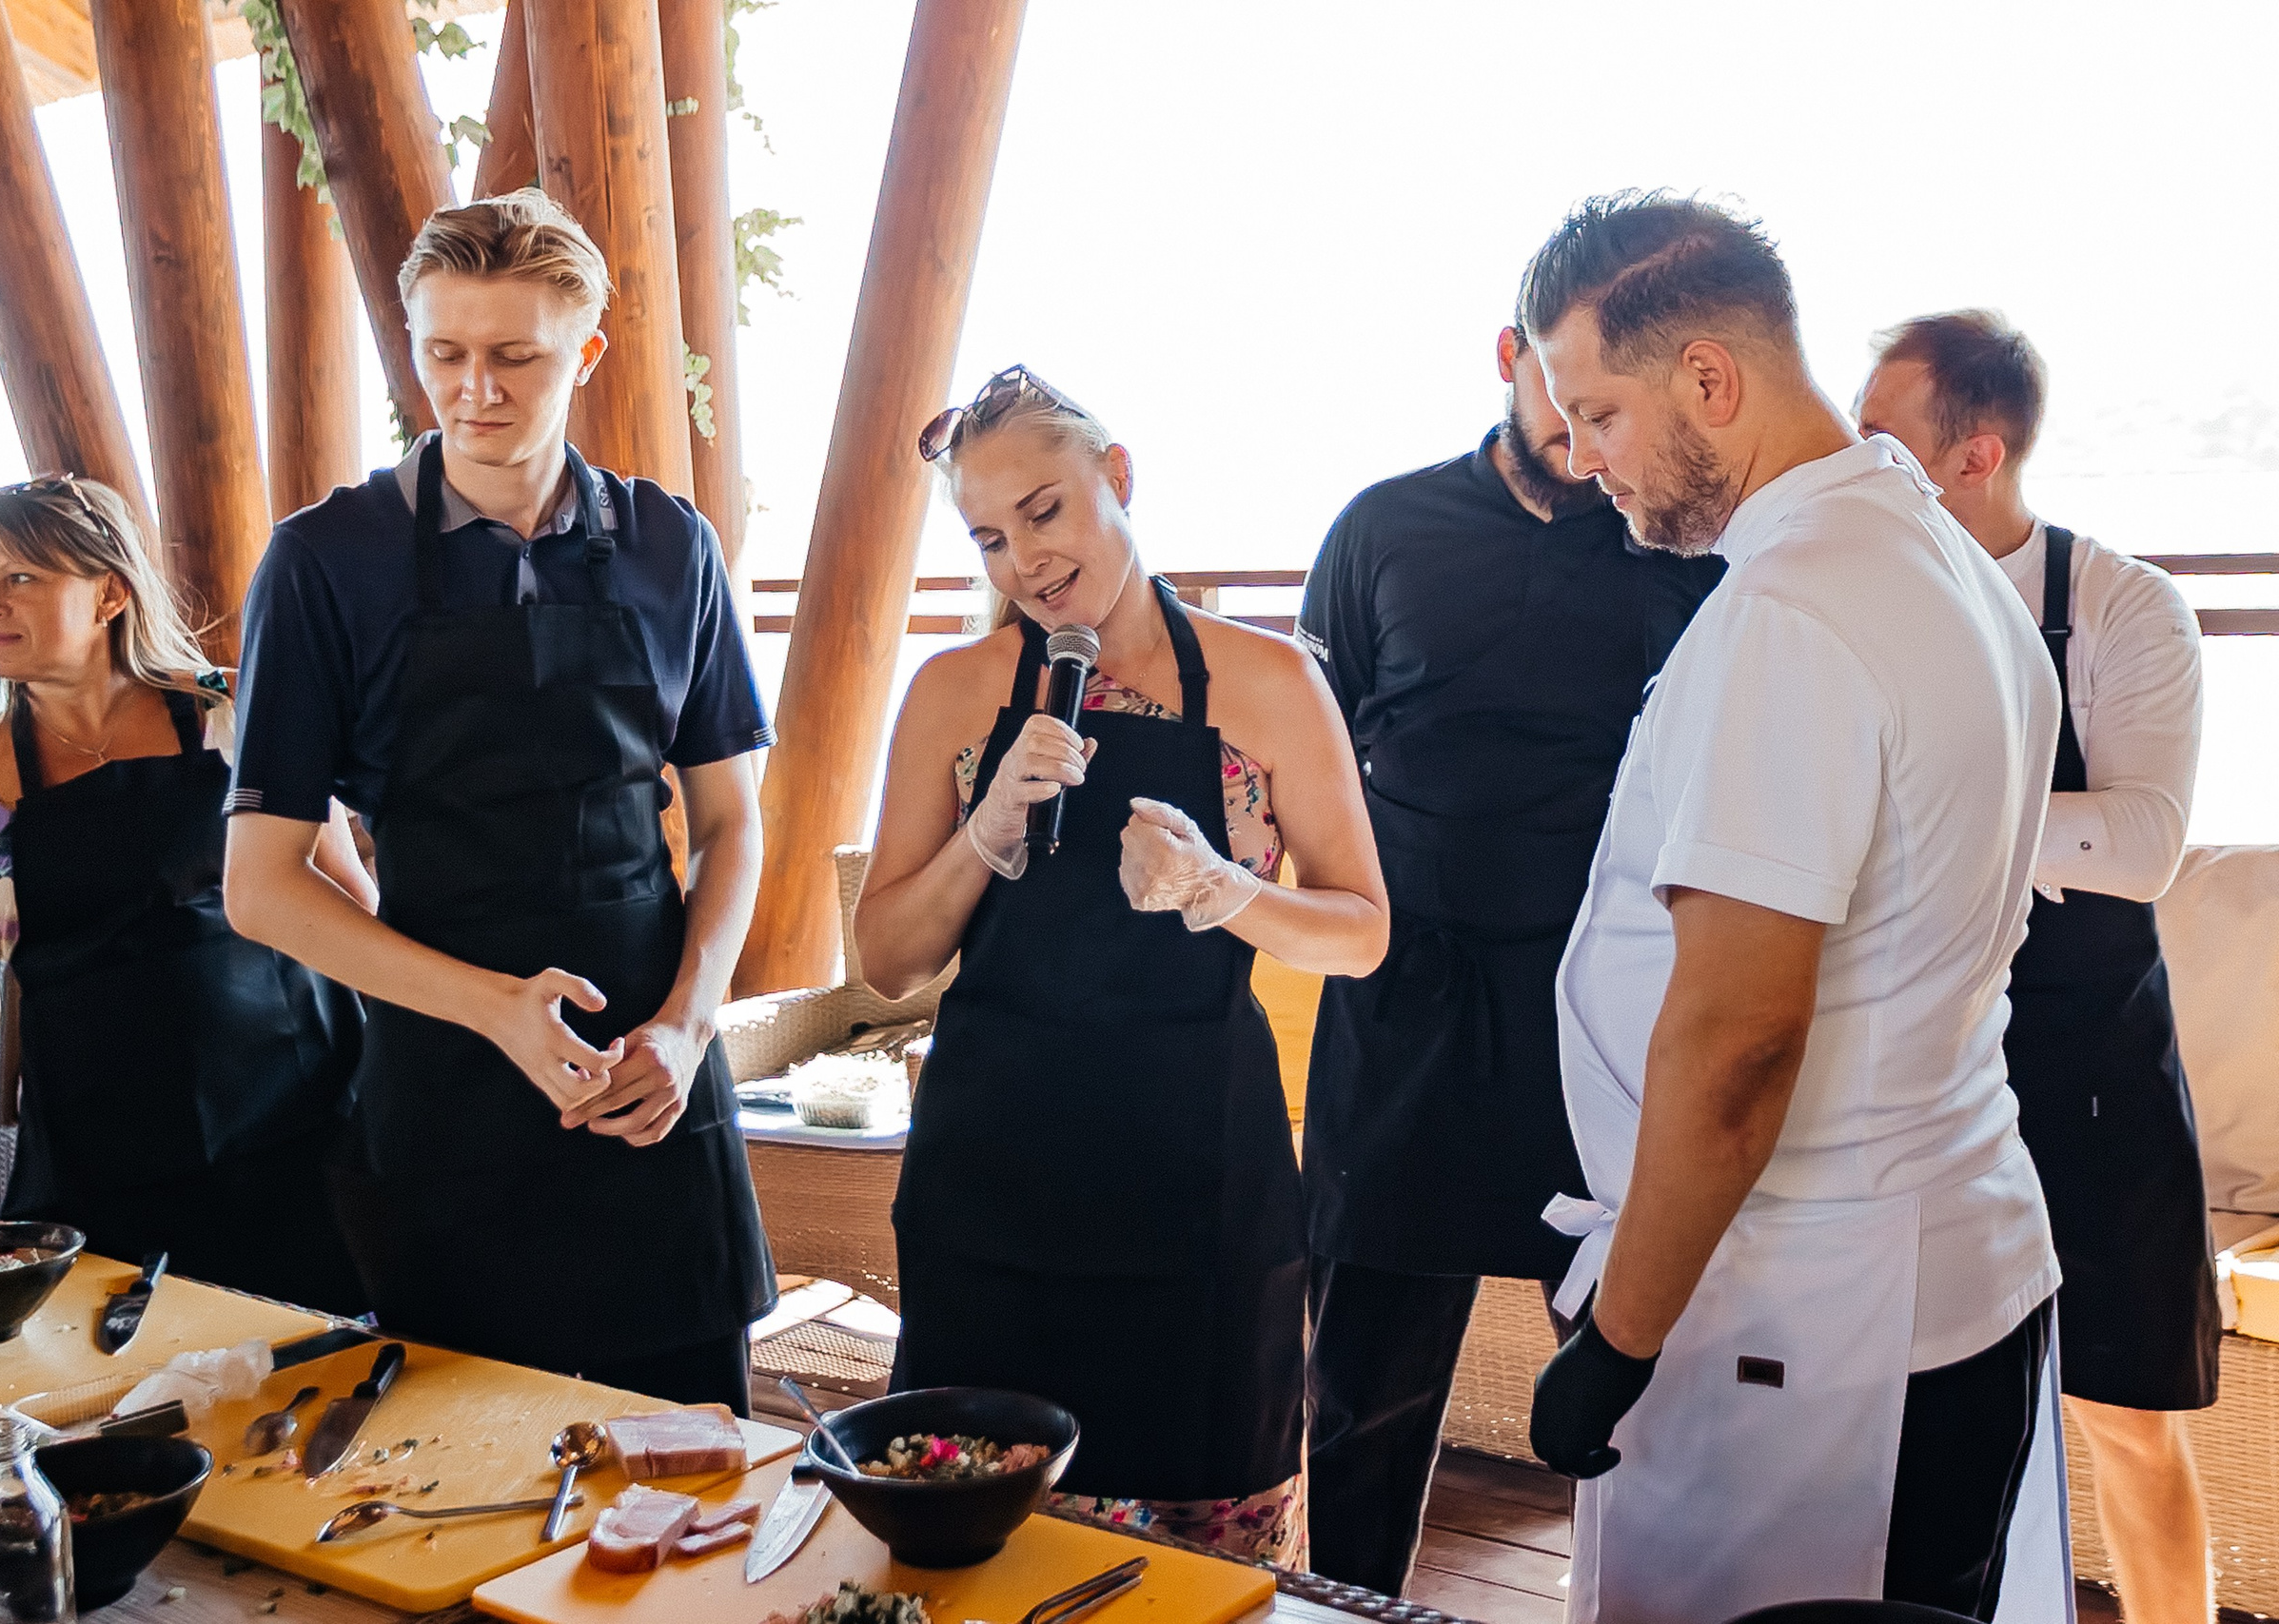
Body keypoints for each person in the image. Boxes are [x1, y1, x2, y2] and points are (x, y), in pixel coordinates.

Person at [1519, 194, 2072, 1623]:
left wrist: (1619, 1341)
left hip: (1817, 1320)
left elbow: (1742, 1041)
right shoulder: (1946, 554)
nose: (1583, 463)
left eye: (1598, 415)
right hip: (1958, 1253)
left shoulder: (1791, 611)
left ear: (1710, 378)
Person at [223, 190, 776, 1409]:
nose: (476, 388)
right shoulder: (324, 561)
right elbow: (260, 888)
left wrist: (687, 1026)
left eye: (515, 356)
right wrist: (497, 1014)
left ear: (584, 352)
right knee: (458, 1501)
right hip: (442, 1095)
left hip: (654, 1084)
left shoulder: (674, 547)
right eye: (445, 354)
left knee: (694, 1500)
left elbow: (732, 826)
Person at [855, 366, 1388, 1566]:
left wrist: (1228, 891)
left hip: (1199, 1192)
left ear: (1120, 478)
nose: (1024, 562)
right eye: (990, 537)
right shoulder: (951, 695)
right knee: (972, 1547)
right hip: (988, 1187)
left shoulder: (1267, 684)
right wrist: (982, 836)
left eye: (1044, 512)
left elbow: (1362, 930)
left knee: (1202, 1558)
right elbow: (887, 960)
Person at [1295, 321, 1722, 1595]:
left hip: (1594, 1017)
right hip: (1404, 1008)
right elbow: (1310, 755)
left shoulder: (1670, 547)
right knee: (1360, 1390)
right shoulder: (1380, 527)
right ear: (1505, 353)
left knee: (1628, 1393)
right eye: (1560, 394)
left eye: (1604, 410)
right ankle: (1353, 1600)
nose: (1579, 436)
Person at [1859, 310, 2216, 1624]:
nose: (1850, 457)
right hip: (1925, 1072)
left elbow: (2145, 843)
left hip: (2095, 1065)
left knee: (2125, 1417)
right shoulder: (1864, 607)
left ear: (1977, 456)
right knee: (1921, 1412)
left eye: (1879, 437)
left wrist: (1952, 808)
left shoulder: (2122, 606)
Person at [0, 476, 368, 1311]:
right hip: (96, 1167)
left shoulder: (236, 711)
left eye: (20, 577)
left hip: (303, 1135)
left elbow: (351, 904)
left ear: (110, 593)